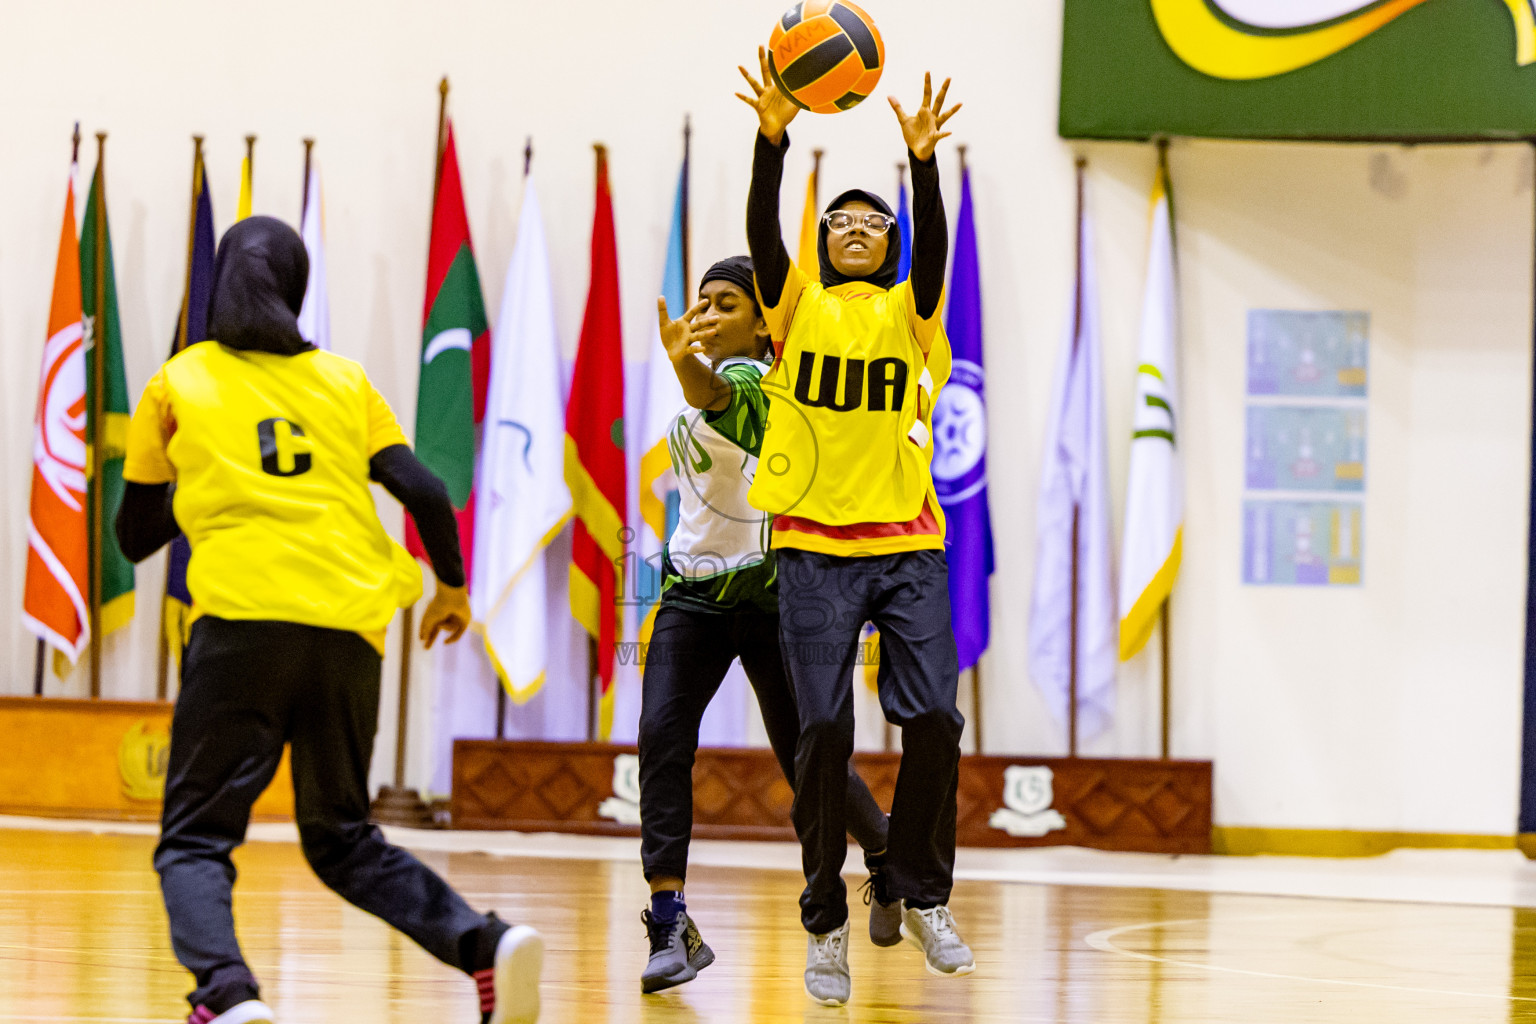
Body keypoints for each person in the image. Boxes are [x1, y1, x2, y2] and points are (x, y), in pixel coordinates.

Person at [115, 216, 542, 1024]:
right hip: (349, 634)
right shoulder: (345, 381)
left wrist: (209, 474)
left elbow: (133, 538)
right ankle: (485, 943)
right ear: (296, 286)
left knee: (194, 838)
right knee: (342, 834)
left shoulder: (179, 380)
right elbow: (423, 490)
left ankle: (228, 996)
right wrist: (452, 589)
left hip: (243, 622)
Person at [735, 51, 974, 1005]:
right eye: (843, 219)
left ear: (893, 242)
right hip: (813, 547)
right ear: (823, 239)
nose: (860, 230)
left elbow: (939, 249)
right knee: (825, 726)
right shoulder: (794, 309)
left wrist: (920, 165)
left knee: (938, 720)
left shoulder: (916, 316)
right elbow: (761, 227)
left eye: (877, 222)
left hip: (907, 544)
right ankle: (826, 917)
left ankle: (918, 891)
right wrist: (771, 137)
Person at [637, 255, 893, 994]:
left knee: (806, 761)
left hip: (776, 596)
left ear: (762, 322)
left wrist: (687, 365)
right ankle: (668, 918)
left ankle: (883, 850)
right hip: (692, 596)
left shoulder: (756, 384)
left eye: (726, 305)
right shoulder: (708, 387)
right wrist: (688, 368)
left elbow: (716, 393)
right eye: (701, 302)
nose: (707, 314)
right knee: (661, 740)